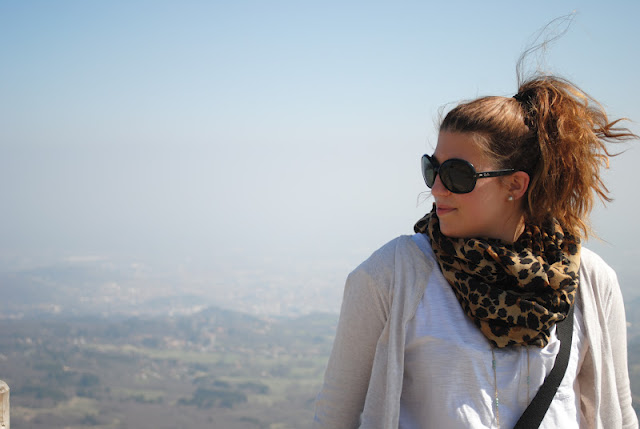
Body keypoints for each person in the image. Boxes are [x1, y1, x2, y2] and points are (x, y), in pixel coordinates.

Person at [312, 74, 638, 428]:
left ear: (514, 184)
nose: (436, 188)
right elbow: (335, 415)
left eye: (457, 174)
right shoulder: (392, 276)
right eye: (432, 169)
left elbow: (619, 414)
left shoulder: (587, 280)